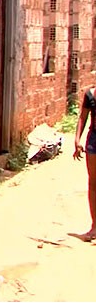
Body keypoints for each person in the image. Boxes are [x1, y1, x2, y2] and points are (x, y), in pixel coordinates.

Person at [74, 87, 96, 241]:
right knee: (93, 183)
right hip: (94, 139)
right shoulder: (90, 94)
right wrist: (77, 139)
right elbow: (83, 117)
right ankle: (94, 226)